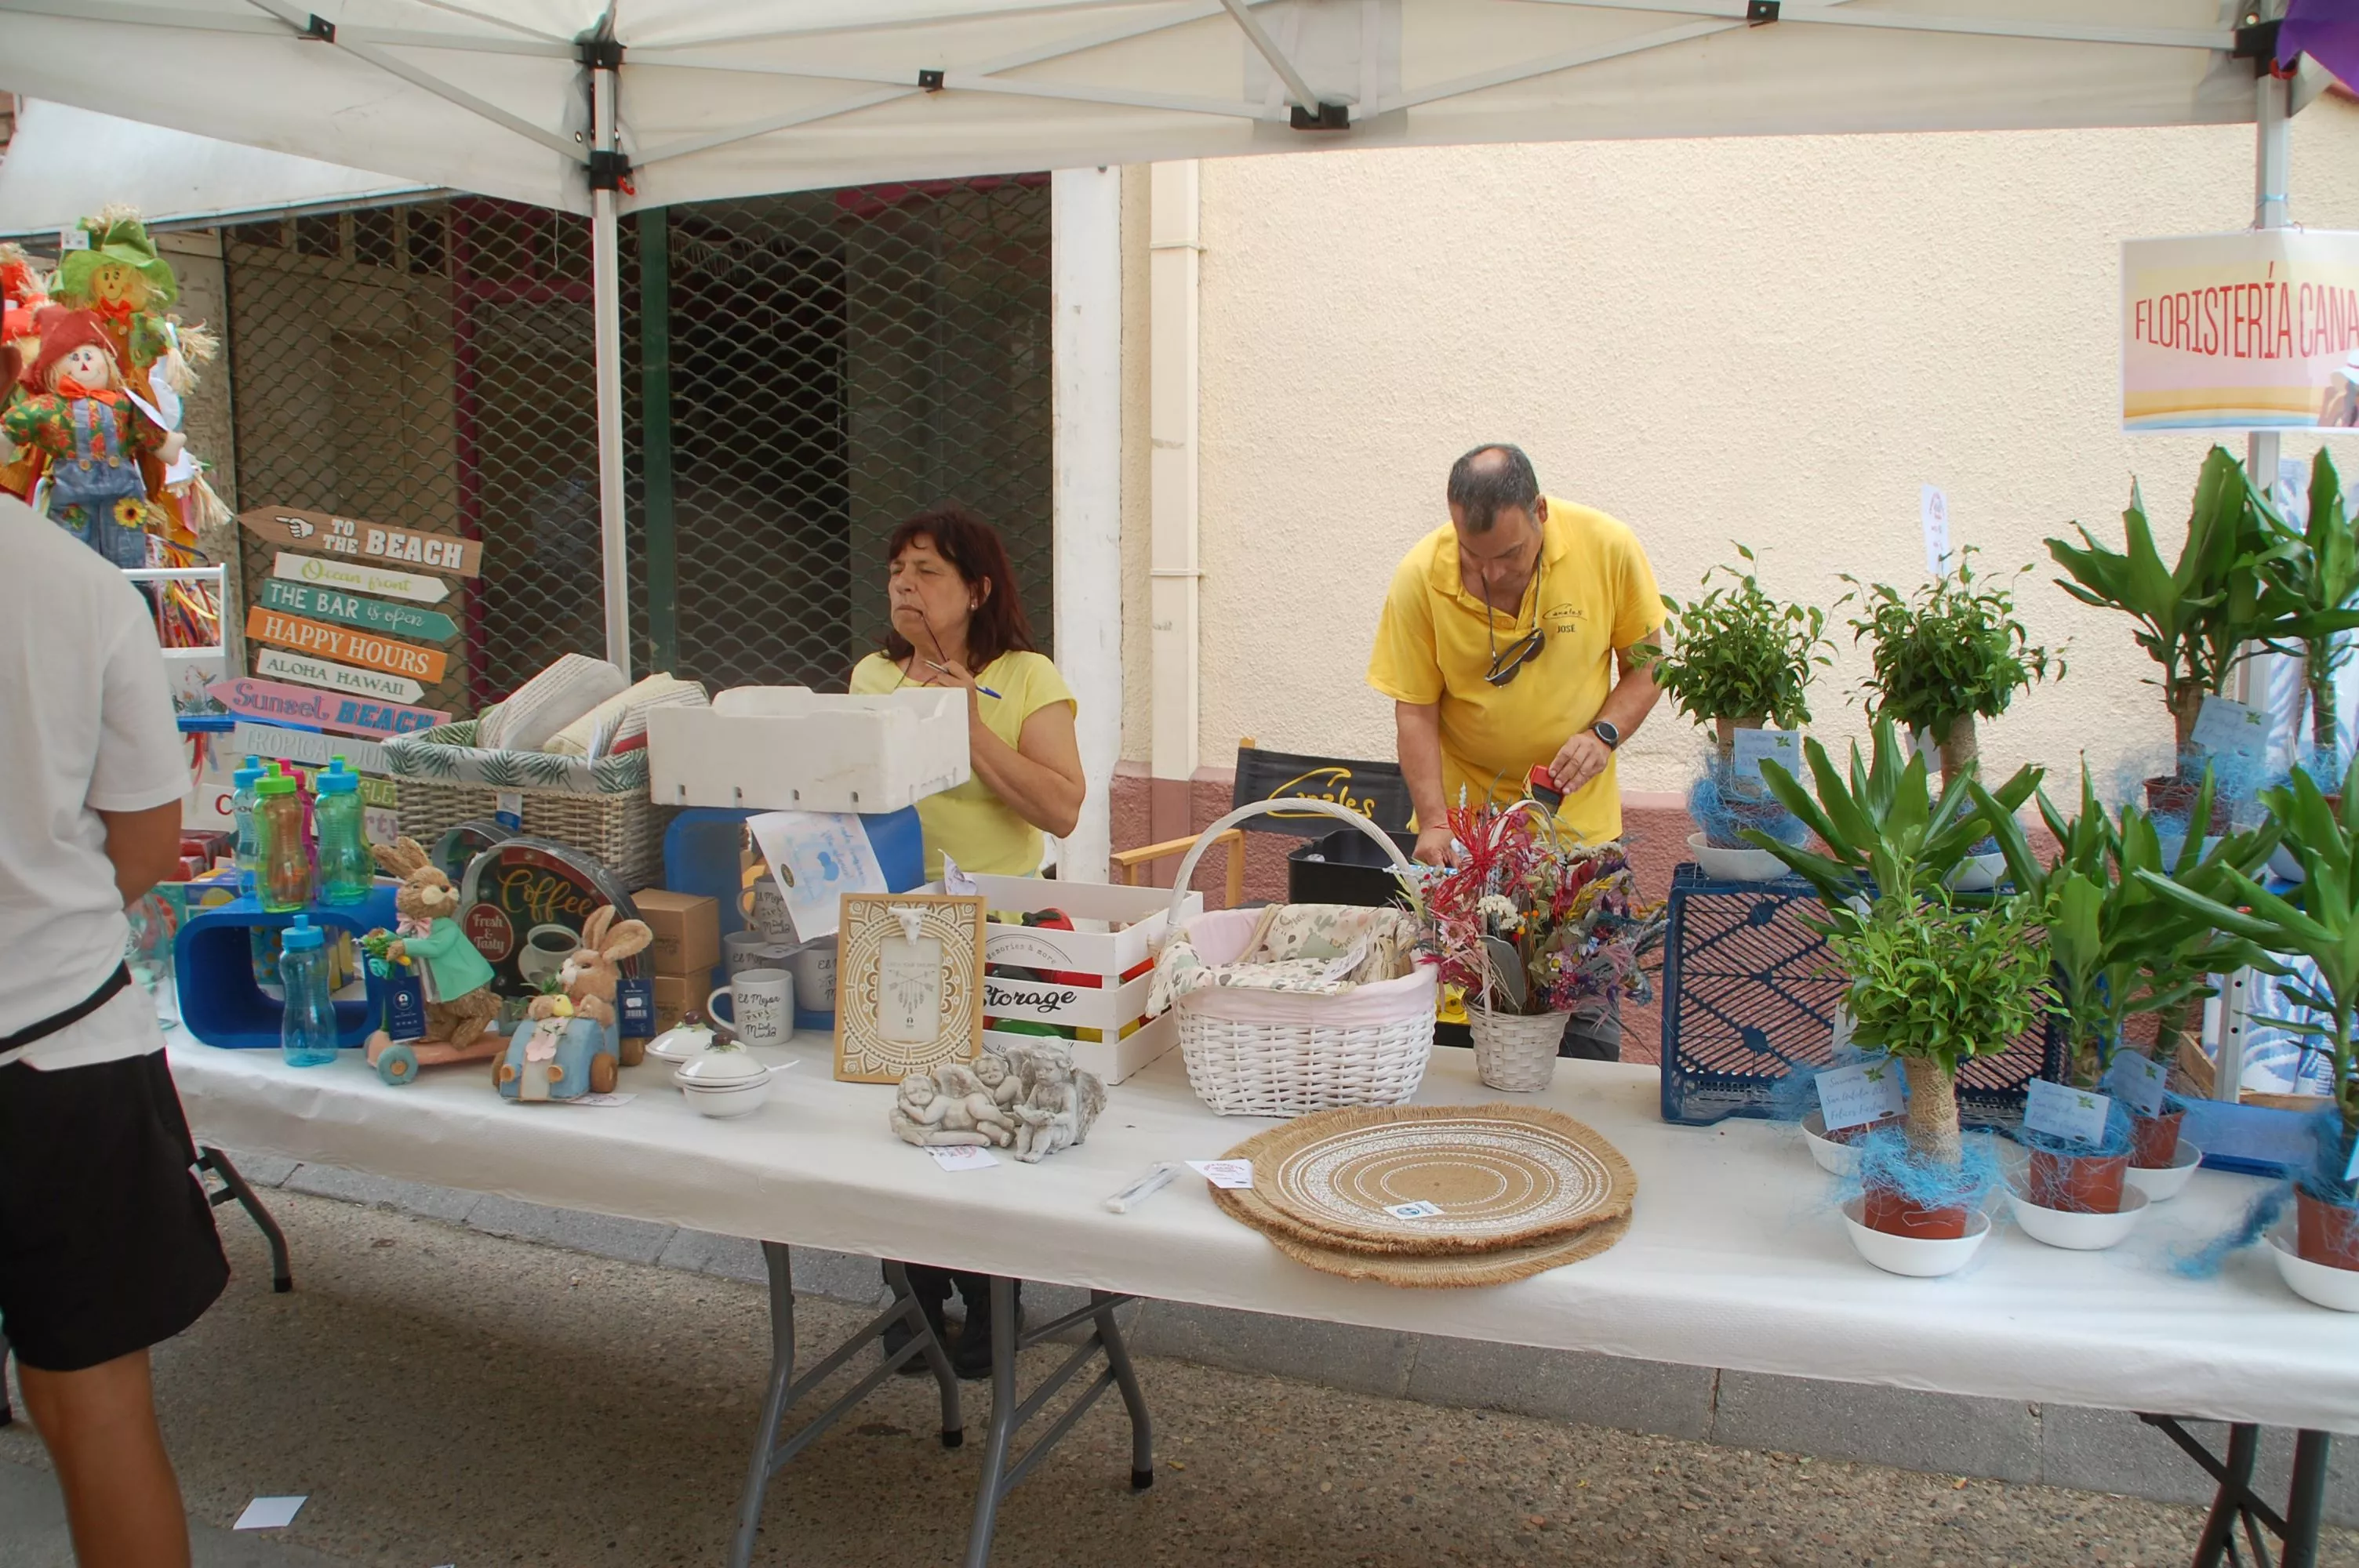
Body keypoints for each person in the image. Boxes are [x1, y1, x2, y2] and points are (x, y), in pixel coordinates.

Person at [0, 336, 228, 1568]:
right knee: (95, 1409)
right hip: (63, 1043)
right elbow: (148, 832)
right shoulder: (78, 584)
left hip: (61, 1036)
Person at [849, 502, 1085, 1378]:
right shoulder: (873, 677)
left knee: (989, 1119)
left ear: (977, 588)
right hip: (904, 930)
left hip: (1009, 933)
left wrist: (968, 725)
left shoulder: (1025, 676)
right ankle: (913, 1297)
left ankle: (995, 1297)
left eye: (928, 572)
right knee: (907, 1114)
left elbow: (1060, 806)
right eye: (897, 572)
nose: (906, 587)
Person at [1366, 442, 1665, 1060]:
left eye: (1508, 555)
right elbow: (1415, 712)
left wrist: (1603, 734)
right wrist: (1434, 823)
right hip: (1468, 847)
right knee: (1460, 1027)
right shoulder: (1420, 575)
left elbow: (1648, 665)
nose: (1493, 574)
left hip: (1578, 839)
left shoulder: (1608, 547)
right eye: (1474, 559)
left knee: (1582, 1021)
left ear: (1541, 513)